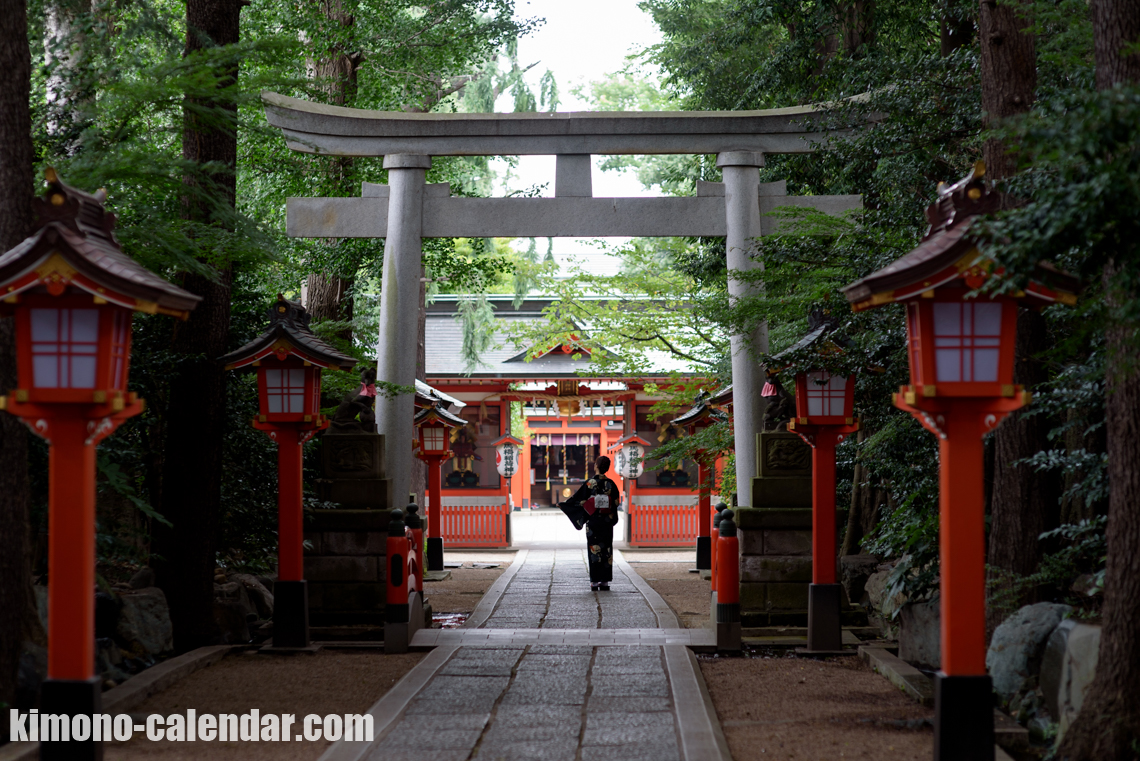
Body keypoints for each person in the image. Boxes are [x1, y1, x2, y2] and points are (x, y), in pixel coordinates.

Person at [559, 455, 622, 591]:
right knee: (606, 550)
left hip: (593, 521)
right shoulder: (611, 484)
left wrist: (565, 505)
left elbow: (578, 499)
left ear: (596, 466)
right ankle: (604, 581)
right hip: (606, 522)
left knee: (594, 550)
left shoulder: (590, 483)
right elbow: (616, 502)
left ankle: (594, 581)